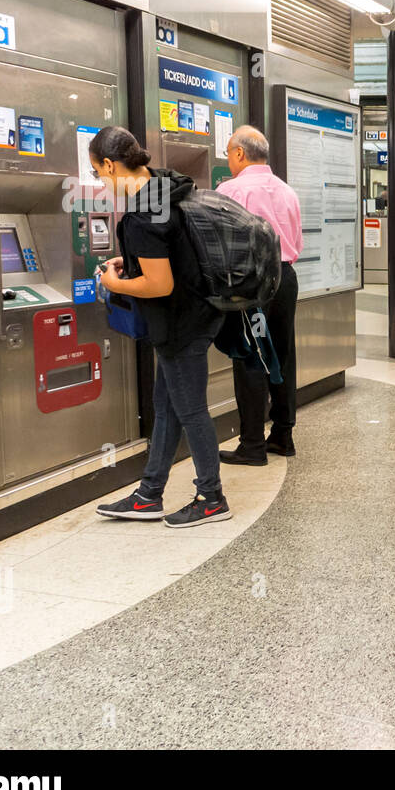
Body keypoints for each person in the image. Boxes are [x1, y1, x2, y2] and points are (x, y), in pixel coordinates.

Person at [90, 127, 231, 528]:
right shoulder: (165, 184)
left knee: (191, 411)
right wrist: (130, 264)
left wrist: (116, 283)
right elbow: (170, 256)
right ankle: (149, 494)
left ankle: (211, 498)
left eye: (99, 173)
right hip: (199, 312)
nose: (102, 182)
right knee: (167, 408)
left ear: (111, 165)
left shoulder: (141, 216)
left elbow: (160, 283)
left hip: (179, 324)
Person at [215, 125, 304, 465]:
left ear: (239, 153)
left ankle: (252, 444)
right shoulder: (287, 190)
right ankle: (282, 436)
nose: (228, 159)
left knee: (251, 355)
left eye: (228, 153)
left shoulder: (231, 190)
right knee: (282, 354)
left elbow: (220, 242)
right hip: (285, 278)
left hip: (250, 283)